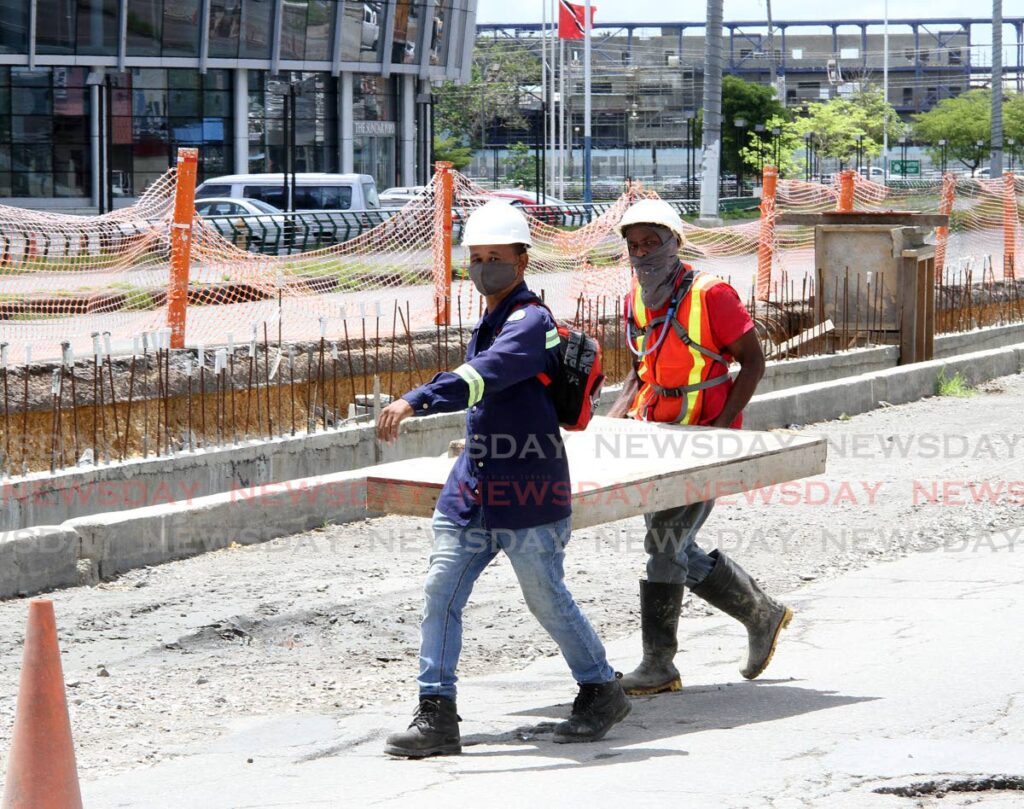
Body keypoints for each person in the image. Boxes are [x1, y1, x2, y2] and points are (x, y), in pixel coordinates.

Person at [376, 200, 629, 757]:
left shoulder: (530, 322)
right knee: (440, 593)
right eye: (477, 257)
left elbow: (486, 375)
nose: (485, 266)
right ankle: (436, 715)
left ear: (522, 260)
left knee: (545, 598)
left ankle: (601, 689)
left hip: (529, 493)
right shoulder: (489, 320)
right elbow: (501, 397)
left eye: (497, 257)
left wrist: (418, 399)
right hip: (472, 490)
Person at [607, 199, 792, 696]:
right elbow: (639, 368)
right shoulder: (637, 296)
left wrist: (721, 429)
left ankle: (658, 664)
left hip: (702, 439)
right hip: (654, 437)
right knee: (672, 544)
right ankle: (761, 612)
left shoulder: (712, 294)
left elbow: (752, 363)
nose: (643, 253)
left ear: (676, 242)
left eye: (653, 242)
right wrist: (609, 421)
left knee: (663, 545)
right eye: (635, 245)